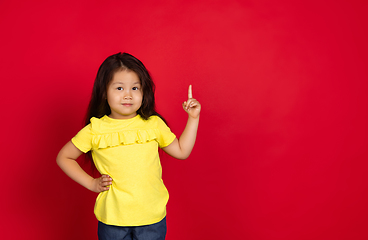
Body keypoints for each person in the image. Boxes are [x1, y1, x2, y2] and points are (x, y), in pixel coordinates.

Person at [56, 52, 201, 240]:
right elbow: (64, 157)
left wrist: (193, 118)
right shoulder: (95, 129)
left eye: (135, 88)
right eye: (119, 88)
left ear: (144, 92)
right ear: (104, 93)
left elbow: (182, 151)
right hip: (113, 220)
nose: (128, 95)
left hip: (152, 218)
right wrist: (92, 183)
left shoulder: (153, 124)